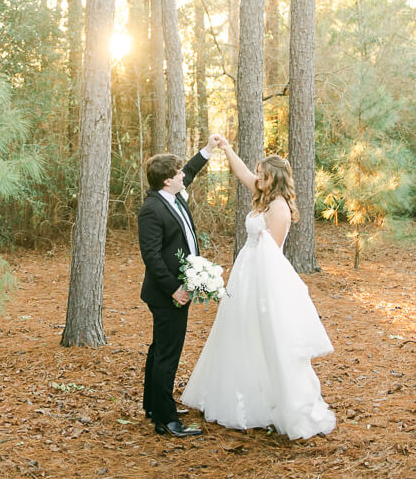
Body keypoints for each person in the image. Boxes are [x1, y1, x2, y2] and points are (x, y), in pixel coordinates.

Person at [181, 139, 336, 440]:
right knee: (237, 333)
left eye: (261, 173)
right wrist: (226, 149)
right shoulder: (263, 196)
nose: (256, 176)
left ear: (273, 178)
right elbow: (241, 174)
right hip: (245, 273)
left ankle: (271, 402)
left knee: (262, 334)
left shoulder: (278, 209)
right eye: (257, 172)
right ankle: (233, 392)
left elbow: (272, 255)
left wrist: (264, 297)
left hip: (263, 279)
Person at [138, 135, 221, 438]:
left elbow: (191, 169)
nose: (183, 174)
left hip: (175, 290)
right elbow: (151, 256)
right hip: (167, 294)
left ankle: (153, 405)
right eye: (178, 173)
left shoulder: (172, 197)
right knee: (167, 354)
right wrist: (174, 288)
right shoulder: (152, 209)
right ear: (167, 180)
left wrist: (209, 150)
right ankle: (166, 420)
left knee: (160, 349)